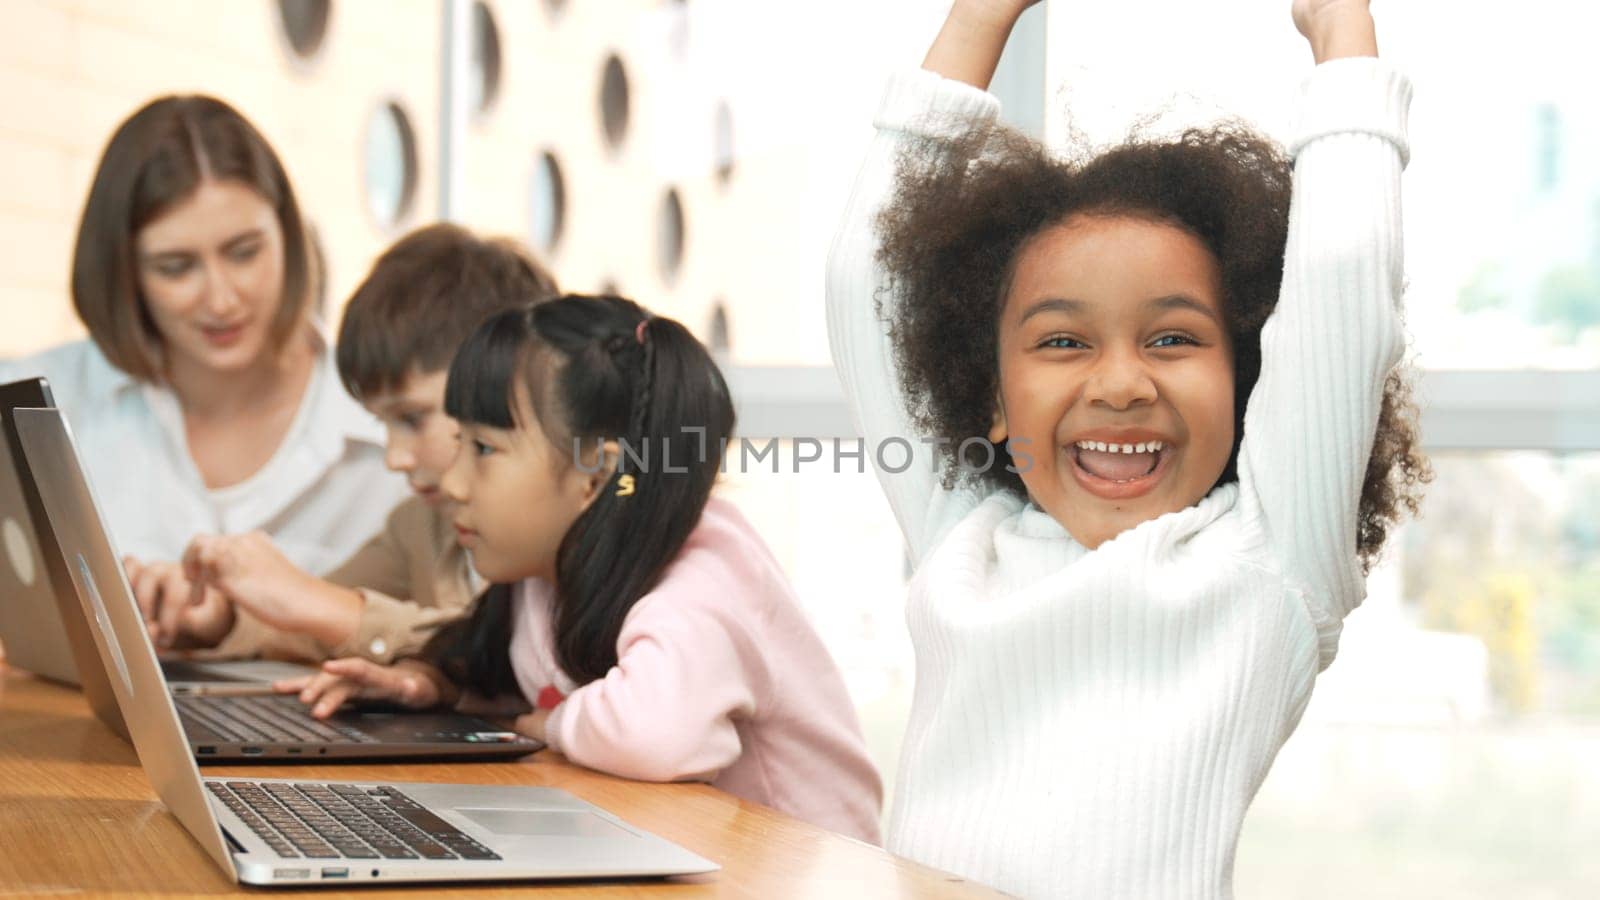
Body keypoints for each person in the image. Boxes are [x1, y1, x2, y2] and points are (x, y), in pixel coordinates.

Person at [826, 0, 1429, 894]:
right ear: (990, 395)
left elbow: (1342, 272)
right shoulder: (963, 533)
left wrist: (1341, 31)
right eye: (1063, 342)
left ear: (1253, 384)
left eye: (1173, 339)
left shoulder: (1266, 560)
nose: (1120, 384)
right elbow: (863, 279)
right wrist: (977, 20)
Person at [280, 295, 884, 844]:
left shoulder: (705, 576)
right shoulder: (546, 569)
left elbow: (657, 733)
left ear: (596, 475)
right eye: (458, 443)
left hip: (801, 873)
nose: (455, 482)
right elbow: (501, 662)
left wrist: (542, 724)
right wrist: (431, 681)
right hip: (686, 850)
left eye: (485, 450)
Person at [0, 96, 405, 635]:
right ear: (126, 273)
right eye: (177, 267)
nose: (220, 299)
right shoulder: (33, 404)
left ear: (288, 236)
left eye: (244, 252)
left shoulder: (391, 429)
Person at [138, 224, 559, 663]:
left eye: (413, 418)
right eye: (384, 422)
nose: (394, 457)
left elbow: (503, 661)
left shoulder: (563, 530)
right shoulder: (417, 526)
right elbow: (308, 619)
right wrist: (220, 620)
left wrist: (320, 605)